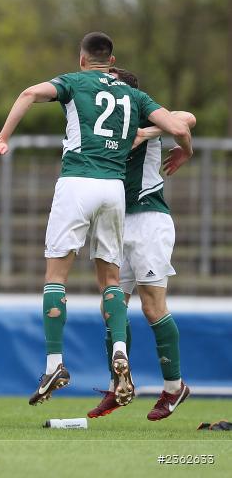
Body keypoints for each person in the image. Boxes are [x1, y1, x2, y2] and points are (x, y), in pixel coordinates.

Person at [0, 32, 193, 406]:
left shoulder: (73, 81)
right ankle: (119, 350)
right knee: (111, 283)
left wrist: (3, 137)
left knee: (56, 276)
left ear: (82, 60)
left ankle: (54, 363)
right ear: (112, 64)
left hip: (79, 182)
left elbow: (28, 95)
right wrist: (185, 152)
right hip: (114, 191)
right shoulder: (133, 97)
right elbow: (181, 126)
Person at [87, 67, 196, 421]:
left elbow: (186, 118)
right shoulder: (105, 128)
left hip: (148, 220)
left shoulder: (143, 124)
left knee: (152, 308)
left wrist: (149, 132)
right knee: (111, 307)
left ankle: (174, 387)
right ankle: (120, 385)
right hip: (115, 222)